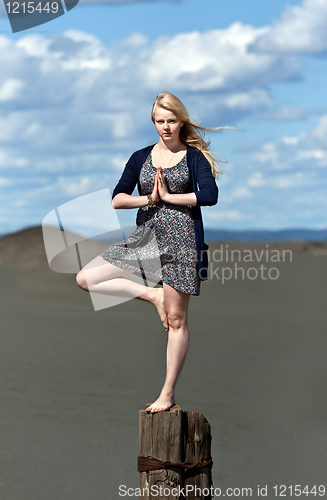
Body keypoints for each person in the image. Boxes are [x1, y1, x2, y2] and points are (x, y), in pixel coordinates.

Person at [76, 92, 225, 413]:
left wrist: (170, 197)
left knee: (177, 320)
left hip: (183, 241)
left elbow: (209, 196)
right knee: (86, 278)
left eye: (171, 121)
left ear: (181, 121)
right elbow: (117, 198)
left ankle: (167, 394)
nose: (166, 127)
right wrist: (150, 200)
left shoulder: (194, 157)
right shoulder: (141, 156)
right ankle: (152, 296)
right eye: (160, 121)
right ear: (153, 122)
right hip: (145, 238)